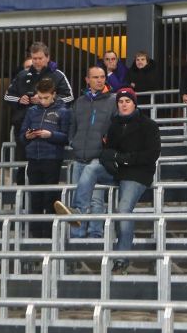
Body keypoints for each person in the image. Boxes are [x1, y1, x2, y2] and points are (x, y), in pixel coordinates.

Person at [58, 88, 161, 275]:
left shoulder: (148, 125)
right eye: (121, 101)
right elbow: (106, 151)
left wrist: (122, 159)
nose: (123, 104)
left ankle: (121, 259)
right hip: (118, 171)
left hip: (137, 174)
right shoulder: (114, 125)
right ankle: (79, 212)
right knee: (91, 167)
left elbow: (151, 155)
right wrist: (113, 162)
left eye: (127, 101)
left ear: (134, 104)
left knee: (122, 211)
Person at [56, 66, 117, 239]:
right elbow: (72, 126)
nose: (100, 80)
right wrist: (72, 141)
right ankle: (77, 235)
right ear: (87, 79)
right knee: (78, 197)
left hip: (98, 158)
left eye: (102, 77)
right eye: (96, 77)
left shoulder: (113, 101)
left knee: (95, 200)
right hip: (79, 157)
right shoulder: (79, 102)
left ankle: (95, 235)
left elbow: (116, 127)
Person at [4, 42, 74, 185]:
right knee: (22, 166)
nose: (37, 61)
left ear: (48, 57)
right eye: (34, 58)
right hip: (25, 127)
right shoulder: (22, 75)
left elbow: (70, 97)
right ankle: (23, 202)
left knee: (49, 172)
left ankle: (48, 205)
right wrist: (20, 99)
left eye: (40, 58)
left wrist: (46, 99)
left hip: (51, 127)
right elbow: (7, 96)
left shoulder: (57, 75)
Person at [19, 78, 71, 238]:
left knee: (50, 199)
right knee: (35, 199)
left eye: (46, 97)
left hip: (52, 159)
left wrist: (51, 135)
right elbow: (21, 136)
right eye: (40, 97)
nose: (43, 101)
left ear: (54, 94)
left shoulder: (64, 111)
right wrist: (27, 136)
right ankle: (35, 236)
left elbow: (67, 137)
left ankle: (49, 235)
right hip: (33, 158)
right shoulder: (32, 111)